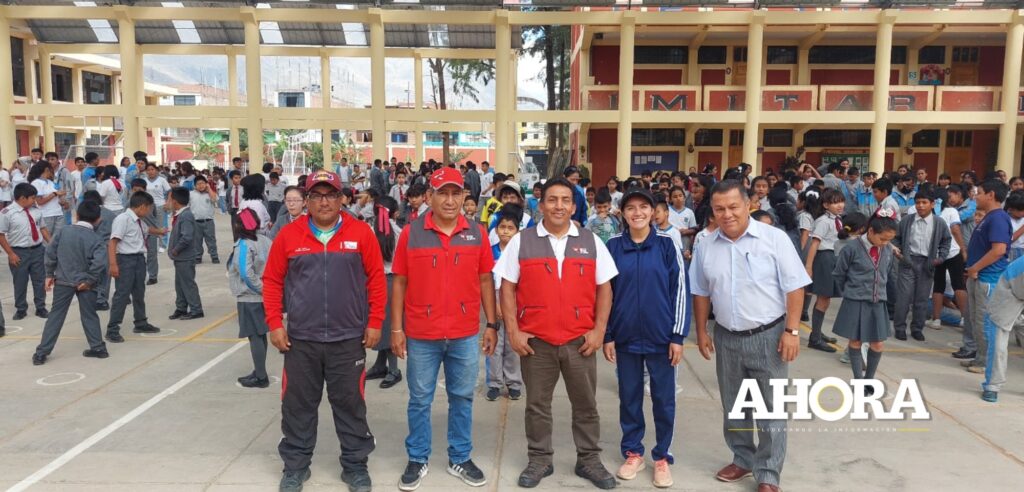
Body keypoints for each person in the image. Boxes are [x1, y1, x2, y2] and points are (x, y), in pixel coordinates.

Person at [263, 169, 385, 492]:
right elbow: (272, 280)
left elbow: (377, 279)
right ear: (306, 201)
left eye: (330, 194)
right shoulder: (289, 236)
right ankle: (296, 466)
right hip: (301, 340)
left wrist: (375, 323)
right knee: (298, 405)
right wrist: (275, 323)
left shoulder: (361, 234)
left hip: (348, 339)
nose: (324, 201)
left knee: (350, 404)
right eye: (316, 195)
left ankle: (355, 466)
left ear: (342, 198)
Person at [494, 177, 619, 490]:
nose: (559, 206)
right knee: (537, 405)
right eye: (552, 199)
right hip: (537, 342)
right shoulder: (523, 241)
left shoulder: (591, 241)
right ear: (541, 204)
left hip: (580, 341)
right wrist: (514, 331)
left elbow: (605, 287)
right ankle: (539, 459)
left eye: (565, 200)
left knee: (586, 405)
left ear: (574, 206)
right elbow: (506, 287)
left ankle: (589, 459)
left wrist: (598, 330)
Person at [689, 179, 809, 492]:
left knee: (772, 408)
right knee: (734, 406)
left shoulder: (774, 239)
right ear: (712, 212)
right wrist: (702, 331)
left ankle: (768, 473)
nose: (727, 214)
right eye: (719, 209)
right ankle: (742, 458)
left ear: (748, 205)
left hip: (769, 336)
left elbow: (795, 286)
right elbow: (701, 292)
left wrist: (792, 331)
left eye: (733, 207)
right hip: (726, 336)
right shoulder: (705, 245)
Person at [390, 166, 498, 491]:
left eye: (456, 193)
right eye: (442, 193)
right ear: (429, 197)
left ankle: (459, 456)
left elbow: (484, 281)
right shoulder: (412, 233)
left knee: (462, 397)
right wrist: (396, 329)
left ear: (465, 195)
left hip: (464, 333)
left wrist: (491, 324)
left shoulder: (476, 233)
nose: (450, 200)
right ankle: (418, 457)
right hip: (422, 334)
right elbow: (400, 281)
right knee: (420, 399)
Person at [604, 187, 687, 489]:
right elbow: (606, 294)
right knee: (629, 397)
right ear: (622, 214)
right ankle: (633, 451)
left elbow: (679, 290)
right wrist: (608, 334)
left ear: (654, 212)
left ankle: (662, 456)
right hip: (625, 338)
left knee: (664, 400)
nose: (637, 213)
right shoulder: (613, 246)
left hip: (661, 338)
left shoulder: (667, 245)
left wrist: (677, 336)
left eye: (643, 207)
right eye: (630, 208)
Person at [32, 200, 108, 365]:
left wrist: (49, 274)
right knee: (89, 315)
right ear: (98, 219)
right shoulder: (96, 239)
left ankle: (41, 353)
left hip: (64, 280)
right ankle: (98, 348)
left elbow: (50, 253)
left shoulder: (63, 231)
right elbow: (100, 263)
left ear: (77, 215)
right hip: (86, 283)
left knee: (56, 315)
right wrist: (89, 280)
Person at [833, 211, 898, 395]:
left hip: (878, 301)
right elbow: (839, 274)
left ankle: (869, 379)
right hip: (855, 300)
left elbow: (886, 272)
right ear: (871, 231)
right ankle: (858, 380)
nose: (885, 243)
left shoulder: (887, 249)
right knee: (855, 340)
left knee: (877, 343)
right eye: (883, 239)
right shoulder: (852, 248)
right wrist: (850, 291)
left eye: (889, 240)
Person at [963, 179, 1011, 379]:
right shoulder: (989, 217)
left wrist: (975, 267)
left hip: (987, 278)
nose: (976, 196)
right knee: (975, 320)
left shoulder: (998, 218)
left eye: (980, 192)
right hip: (977, 277)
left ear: (991, 195)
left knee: (984, 321)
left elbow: (999, 250)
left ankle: (985, 362)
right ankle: (979, 357)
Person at [891, 190, 951, 341]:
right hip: (908, 262)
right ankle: (900, 328)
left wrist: (940, 258)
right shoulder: (907, 221)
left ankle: (917, 328)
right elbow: (896, 238)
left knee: (921, 298)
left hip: (927, 264)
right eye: (917, 202)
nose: (920, 206)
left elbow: (946, 241)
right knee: (903, 298)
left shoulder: (939, 223)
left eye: (924, 202)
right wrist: (898, 253)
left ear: (932, 204)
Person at [105, 191, 161, 343]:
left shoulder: (139, 221)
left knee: (139, 292)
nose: (150, 211)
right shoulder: (123, 219)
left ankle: (141, 322)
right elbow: (113, 242)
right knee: (122, 294)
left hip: (138, 260)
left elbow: (148, 230)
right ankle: (113, 329)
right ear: (142, 206)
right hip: (125, 260)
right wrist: (113, 264)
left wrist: (160, 232)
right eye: (149, 208)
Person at [227, 208, 273, 388]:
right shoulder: (265, 240)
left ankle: (261, 376)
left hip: (250, 297)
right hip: (263, 295)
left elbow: (246, 273)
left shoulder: (244, 244)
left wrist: (261, 289)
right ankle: (259, 369)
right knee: (261, 335)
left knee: (254, 336)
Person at [485, 203, 525, 402]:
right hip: (494, 302)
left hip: (515, 304)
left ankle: (514, 383)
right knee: (494, 345)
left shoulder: (520, 252)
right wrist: (496, 305)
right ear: (496, 229)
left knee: (513, 345)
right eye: (502, 227)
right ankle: (494, 383)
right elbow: (486, 281)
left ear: (517, 231)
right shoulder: (490, 251)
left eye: (510, 228)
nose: (506, 232)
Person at [365, 196, 403, 389]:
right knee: (388, 325)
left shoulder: (370, 231)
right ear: (395, 213)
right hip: (392, 281)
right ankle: (383, 366)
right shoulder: (399, 232)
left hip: (375, 281)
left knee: (383, 325)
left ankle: (393, 370)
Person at [0, 183, 51, 320]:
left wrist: (51, 244)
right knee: (20, 282)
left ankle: (40, 307)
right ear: (22, 198)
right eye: (32, 198)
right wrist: (10, 254)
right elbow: (1, 234)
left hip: (37, 250)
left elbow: (43, 228)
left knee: (39, 280)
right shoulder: (7, 213)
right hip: (18, 252)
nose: (34, 200)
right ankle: (21, 309)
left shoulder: (36, 210)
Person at [804, 188, 846, 352]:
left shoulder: (837, 219)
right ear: (826, 205)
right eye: (835, 202)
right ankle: (814, 338)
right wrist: (808, 267)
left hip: (832, 258)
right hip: (824, 258)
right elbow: (814, 244)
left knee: (825, 298)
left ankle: (817, 332)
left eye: (841, 201)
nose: (840, 205)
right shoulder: (823, 221)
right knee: (823, 298)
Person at [981, 252, 1024, 402]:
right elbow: (1020, 290)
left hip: (1021, 303)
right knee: (998, 348)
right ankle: (992, 386)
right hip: (1006, 300)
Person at [929, 188, 970, 335]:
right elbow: (956, 230)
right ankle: (965, 319)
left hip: (937, 253)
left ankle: (936, 319)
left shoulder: (931, 213)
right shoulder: (951, 211)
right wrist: (963, 248)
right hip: (953, 251)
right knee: (958, 283)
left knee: (938, 285)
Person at [167, 187, 204, 320]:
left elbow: (187, 237)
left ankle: (196, 309)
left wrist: (176, 249)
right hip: (180, 257)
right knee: (179, 284)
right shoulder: (180, 214)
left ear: (175, 201)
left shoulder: (186, 215)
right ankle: (181, 308)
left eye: (170, 199)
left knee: (187, 283)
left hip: (185, 256)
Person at [28, 161, 66, 239]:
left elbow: (57, 197)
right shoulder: (36, 183)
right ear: (46, 169)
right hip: (46, 215)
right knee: (46, 239)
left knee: (58, 238)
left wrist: (63, 201)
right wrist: (54, 194)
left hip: (58, 213)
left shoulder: (51, 182)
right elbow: (39, 202)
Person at [190, 175, 220, 264]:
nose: (201, 185)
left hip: (208, 221)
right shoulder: (191, 194)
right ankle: (198, 256)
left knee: (211, 240)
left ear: (206, 184)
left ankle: (214, 256)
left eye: (203, 183)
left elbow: (214, 199)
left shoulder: (210, 193)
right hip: (196, 222)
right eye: (198, 184)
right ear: (194, 185)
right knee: (197, 241)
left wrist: (209, 189)